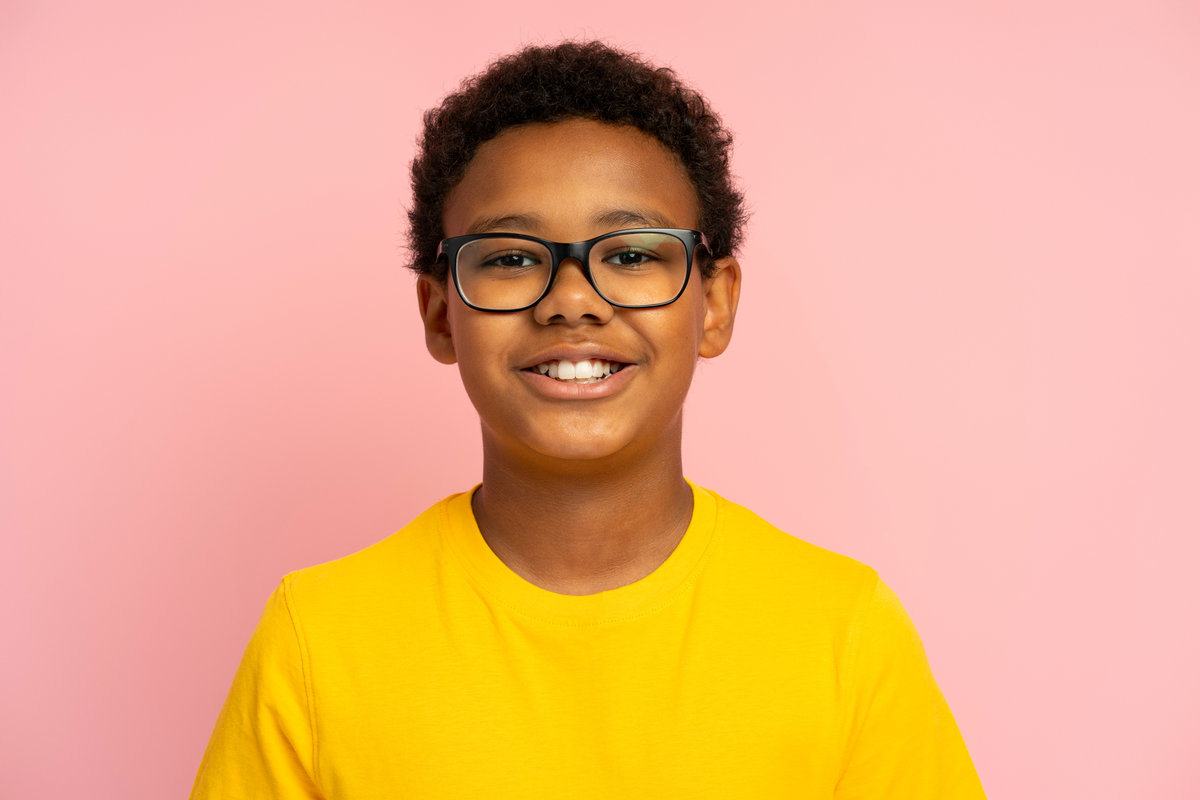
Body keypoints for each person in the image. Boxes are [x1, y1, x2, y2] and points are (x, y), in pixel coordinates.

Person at [190, 41, 986, 799]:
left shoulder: (841, 630)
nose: (572, 299)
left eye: (632, 254)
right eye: (509, 257)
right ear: (439, 313)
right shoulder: (318, 639)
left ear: (713, 303)